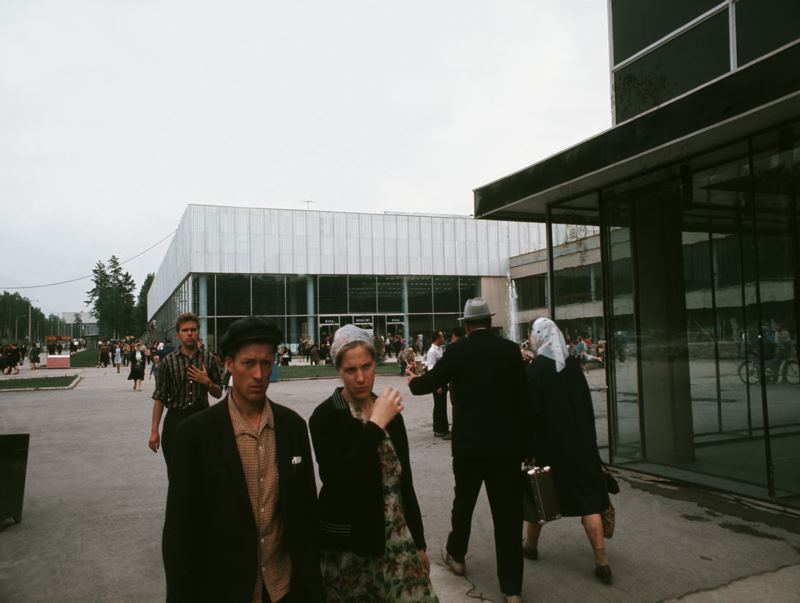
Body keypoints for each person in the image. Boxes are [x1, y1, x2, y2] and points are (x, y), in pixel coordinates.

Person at [163, 317, 323, 603]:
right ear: (229, 364)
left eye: (266, 363)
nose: (259, 374)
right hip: (223, 590)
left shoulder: (293, 428)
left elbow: (306, 514)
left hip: (284, 588)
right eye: (248, 363)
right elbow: (179, 529)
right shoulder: (195, 435)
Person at [407, 298, 527, 603]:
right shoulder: (510, 351)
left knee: (464, 503)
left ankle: (457, 555)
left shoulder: (457, 351)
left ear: (467, 325)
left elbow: (426, 384)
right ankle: (512, 588)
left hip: (469, 447)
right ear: (490, 321)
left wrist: (412, 380)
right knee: (508, 516)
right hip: (506, 448)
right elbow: (525, 401)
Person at [309, 325, 437, 603]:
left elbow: (405, 481)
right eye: (350, 370)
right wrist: (375, 425)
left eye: (366, 367)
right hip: (352, 544)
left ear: (375, 364)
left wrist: (419, 542)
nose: (360, 378)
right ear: (338, 371)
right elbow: (338, 479)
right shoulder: (326, 416)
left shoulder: (390, 412)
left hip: (396, 536)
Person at [523, 317, 612, 585]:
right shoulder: (572, 365)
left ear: (539, 336)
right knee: (588, 501)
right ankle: (601, 560)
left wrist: (529, 448)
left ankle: (530, 546)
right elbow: (585, 406)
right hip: (579, 445)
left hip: (550, 446)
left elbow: (532, 412)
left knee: (541, 497)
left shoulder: (536, 368)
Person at [149, 312, 223, 469]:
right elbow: (160, 397)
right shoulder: (168, 362)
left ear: (198, 332)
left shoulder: (209, 359)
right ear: (178, 334)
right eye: (185, 330)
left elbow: (218, 393)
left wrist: (207, 382)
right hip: (175, 421)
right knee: (176, 472)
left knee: (203, 472)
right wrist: (154, 431)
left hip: (202, 419)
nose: (189, 333)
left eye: (193, 329)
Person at [425, 330, 449, 439]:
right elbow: (431, 368)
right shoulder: (432, 351)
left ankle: (444, 428)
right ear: (437, 338)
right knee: (439, 406)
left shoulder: (439, 349)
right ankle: (438, 429)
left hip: (442, 381)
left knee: (442, 406)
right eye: (442, 337)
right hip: (437, 383)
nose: (443, 339)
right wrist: (437, 385)